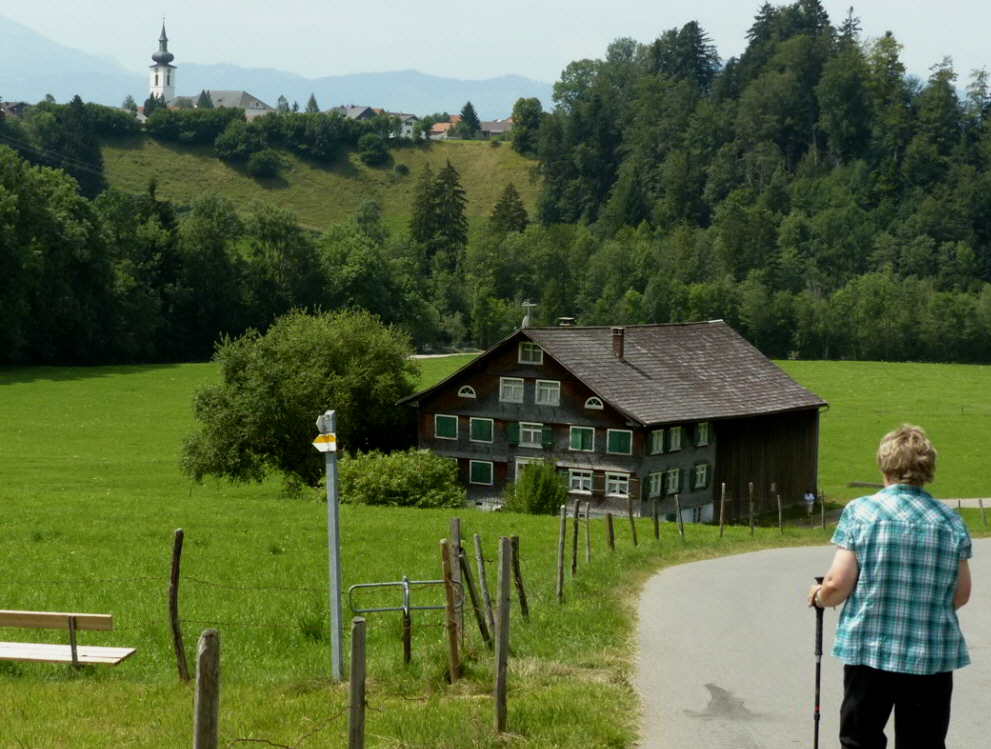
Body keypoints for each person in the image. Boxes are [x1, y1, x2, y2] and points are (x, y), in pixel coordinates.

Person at [807, 424, 971, 749]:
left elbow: (838, 584)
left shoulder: (861, 512)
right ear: (927, 468)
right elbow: (961, 594)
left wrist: (819, 597)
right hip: (930, 654)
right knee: (922, 743)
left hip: (869, 651)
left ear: (885, 465)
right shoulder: (950, 521)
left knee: (861, 739)